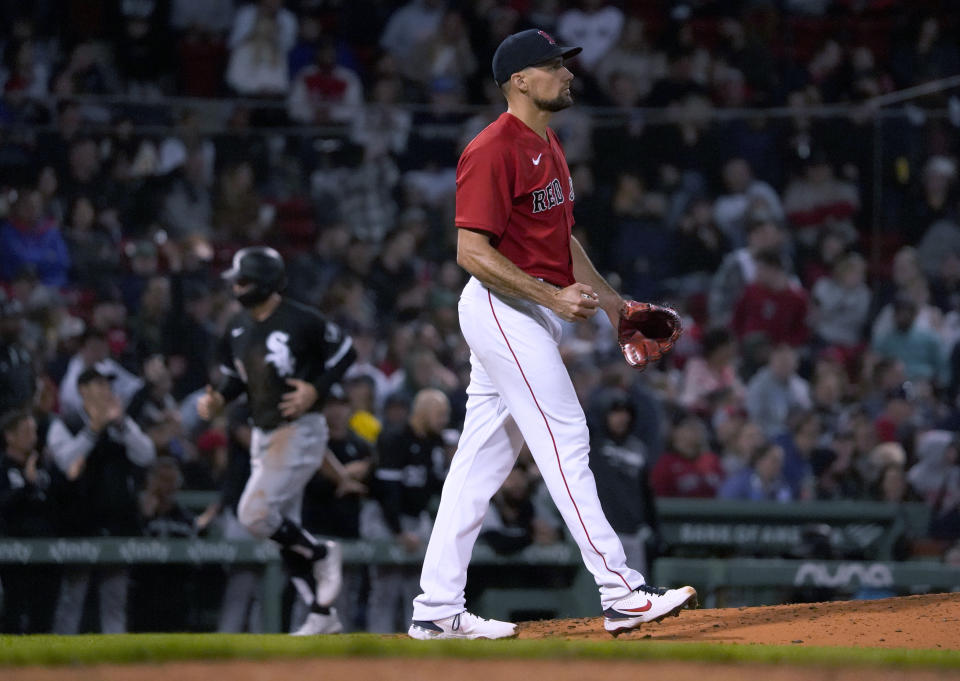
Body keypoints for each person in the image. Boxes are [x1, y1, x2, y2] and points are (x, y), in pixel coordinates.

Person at [409, 29, 695, 641]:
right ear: (520, 80)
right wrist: (550, 297)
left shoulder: (549, 142)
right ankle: (620, 591)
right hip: (502, 305)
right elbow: (469, 251)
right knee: (566, 436)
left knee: (478, 465)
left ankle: (435, 609)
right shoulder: (492, 148)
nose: (567, 74)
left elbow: (560, 242)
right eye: (554, 66)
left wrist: (617, 307)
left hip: (526, 307)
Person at [196, 246, 357, 636]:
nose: (236, 287)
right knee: (282, 532)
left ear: (266, 283)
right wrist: (217, 398)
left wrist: (315, 391)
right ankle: (321, 614)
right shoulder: (236, 327)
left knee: (253, 515)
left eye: (244, 280)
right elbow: (236, 379)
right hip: (264, 435)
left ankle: (322, 553)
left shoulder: (301, 319)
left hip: (299, 429)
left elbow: (346, 353)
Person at [47, 367, 157, 634]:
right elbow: (67, 463)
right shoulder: (66, 423)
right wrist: (93, 429)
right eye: (100, 385)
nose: (107, 391)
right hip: (78, 524)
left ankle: (115, 669)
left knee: (115, 602)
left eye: (109, 386)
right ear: (83, 390)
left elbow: (147, 455)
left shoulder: (121, 424)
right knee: (72, 599)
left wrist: (120, 425)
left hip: (117, 523)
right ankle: (60, 665)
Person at [363, 388, 448, 633]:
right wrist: (399, 531)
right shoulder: (394, 438)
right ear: (423, 412)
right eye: (439, 414)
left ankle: (416, 642)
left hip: (416, 518)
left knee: (419, 589)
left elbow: (435, 486)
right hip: (385, 518)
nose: (443, 420)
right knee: (385, 589)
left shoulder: (434, 442)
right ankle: (378, 645)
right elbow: (387, 492)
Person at [0, 410, 60, 633]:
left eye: (34, 431)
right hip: (14, 552)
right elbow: (4, 505)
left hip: (47, 550)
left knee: (44, 614)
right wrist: (27, 483)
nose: (33, 437)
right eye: (26, 431)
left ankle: (43, 666)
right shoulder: (3, 468)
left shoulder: (43, 467)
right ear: (10, 436)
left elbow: (58, 505)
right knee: (13, 610)